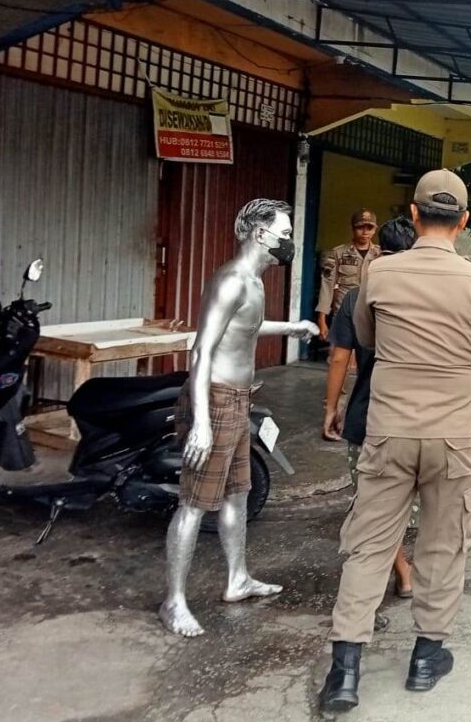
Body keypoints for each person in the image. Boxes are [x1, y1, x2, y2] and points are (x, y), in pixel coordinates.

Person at [318, 170, 471, 711]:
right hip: (452, 436)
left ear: (413, 215)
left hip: (388, 429)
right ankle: (424, 659)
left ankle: (344, 672)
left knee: (369, 546)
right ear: (464, 222)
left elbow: (366, 338)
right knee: (443, 543)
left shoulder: (380, 273)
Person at [159, 199, 319, 638]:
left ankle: (237, 579)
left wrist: (292, 327)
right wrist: (202, 423)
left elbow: (246, 326)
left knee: (237, 495)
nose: (288, 242)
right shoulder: (232, 280)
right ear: (260, 234)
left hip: (238, 400)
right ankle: (174, 602)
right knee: (194, 504)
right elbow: (201, 351)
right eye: (285, 234)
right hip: (215, 399)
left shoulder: (254, 281)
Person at [323, 217, 418, 613]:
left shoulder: (358, 297)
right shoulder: (427, 297)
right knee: (405, 502)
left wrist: (331, 408)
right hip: (416, 418)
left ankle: (394, 574)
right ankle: (407, 571)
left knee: (373, 503)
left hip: (367, 415)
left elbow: (339, 358)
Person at [316, 209, 381, 340]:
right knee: (340, 351)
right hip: (343, 314)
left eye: (369, 228)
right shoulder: (338, 253)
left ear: (375, 230)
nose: (365, 232)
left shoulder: (381, 254)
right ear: (353, 228)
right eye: (360, 227)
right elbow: (327, 286)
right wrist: (321, 319)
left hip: (371, 316)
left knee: (367, 352)